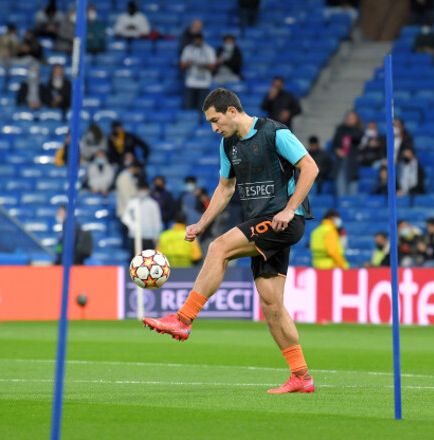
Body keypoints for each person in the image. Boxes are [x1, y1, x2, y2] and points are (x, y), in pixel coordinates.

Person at [142, 88, 318, 394]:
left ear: (232, 111)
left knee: (219, 247)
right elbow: (225, 189)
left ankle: (184, 318)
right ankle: (301, 376)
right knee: (271, 304)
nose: (214, 128)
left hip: (284, 220)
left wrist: (290, 209)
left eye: (215, 120)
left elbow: (310, 167)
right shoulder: (228, 145)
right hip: (262, 225)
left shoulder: (275, 133)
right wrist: (201, 223)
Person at [121, 180, 162, 252]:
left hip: (148, 237)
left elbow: (156, 221)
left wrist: (156, 236)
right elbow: (126, 218)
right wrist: (132, 227)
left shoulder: (153, 204)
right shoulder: (132, 202)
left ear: (149, 191)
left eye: (144, 190)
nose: (142, 192)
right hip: (135, 236)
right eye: (141, 190)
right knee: (135, 257)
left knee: (147, 257)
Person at [180, 33, 216, 111]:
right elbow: (182, 65)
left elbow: (213, 67)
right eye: (195, 40)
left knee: (203, 109)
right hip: (190, 82)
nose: (197, 42)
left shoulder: (209, 50)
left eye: (198, 40)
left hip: (204, 83)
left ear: (202, 40)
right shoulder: (188, 49)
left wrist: (204, 65)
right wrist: (189, 63)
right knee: (188, 108)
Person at [330, 110, 362, 197]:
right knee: (341, 193)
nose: (349, 119)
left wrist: (352, 126)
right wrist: (337, 150)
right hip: (340, 163)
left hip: (352, 165)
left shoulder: (358, 130)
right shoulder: (340, 129)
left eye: (352, 117)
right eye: (349, 117)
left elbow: (357, 138)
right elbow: (333, 146)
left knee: (352, 194)